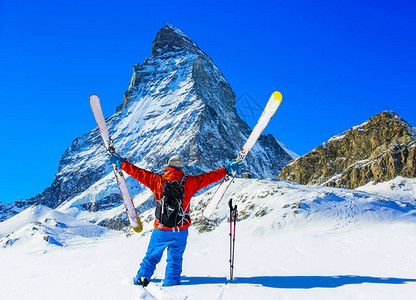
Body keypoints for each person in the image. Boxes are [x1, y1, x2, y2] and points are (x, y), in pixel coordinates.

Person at [108, 153, 242, 287]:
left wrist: (120, 163)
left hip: (161, 230)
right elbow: (209, 177)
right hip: (180, 230)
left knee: (152, 256)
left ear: (168, 167)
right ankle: (171, 284)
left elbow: (137, 172)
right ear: (181, 168)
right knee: (175, 259)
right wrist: (227, 169)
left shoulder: (157, 180)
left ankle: (142, 278)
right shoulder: (190, 182)